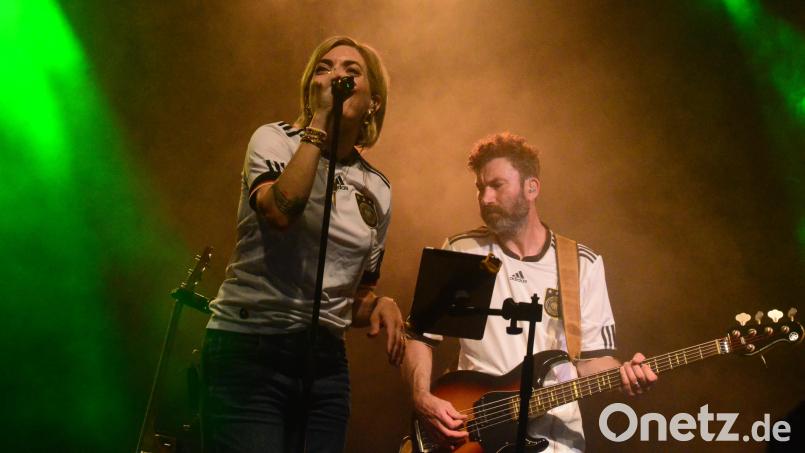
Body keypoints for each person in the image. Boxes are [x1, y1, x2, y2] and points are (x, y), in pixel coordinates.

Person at [201, 36, 405, 453]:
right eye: (324, 68)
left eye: (351, 71)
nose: (335, 77)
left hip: (325, 367)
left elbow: (347, 297)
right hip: (252, 349)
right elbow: (281, 211)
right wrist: (320, 121)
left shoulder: (378, 189)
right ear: (311, 87)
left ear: (374, 102)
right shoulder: (274, 141)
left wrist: (377, 305)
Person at [402, 132, 657, 452]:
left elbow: (590, 360)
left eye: (497, 185)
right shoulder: (464, 251)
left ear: (531, 188)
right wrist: (421, 396)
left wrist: (624, 375)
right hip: (477, 439)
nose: (485, 198)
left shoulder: (581, 263)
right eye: (480, 188)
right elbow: (420, 336)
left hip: (557, 443)